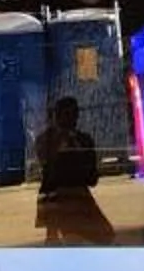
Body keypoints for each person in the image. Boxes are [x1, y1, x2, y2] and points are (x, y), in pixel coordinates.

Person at [34, 94, 115, 245]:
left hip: (75, 197)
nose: (73, 119)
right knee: (75, 238)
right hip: (60, 199)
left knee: (104, 236)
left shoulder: (81, 140)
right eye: (68, 114)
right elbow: (50, 169)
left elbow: (92, 177)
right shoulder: (48, 140)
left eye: (73, 114)